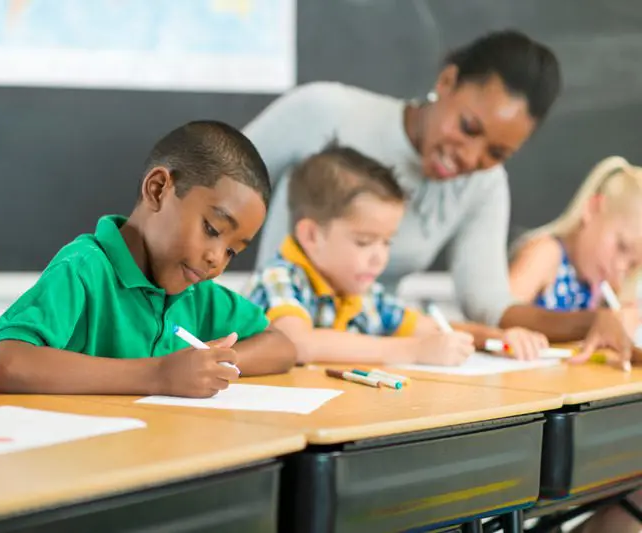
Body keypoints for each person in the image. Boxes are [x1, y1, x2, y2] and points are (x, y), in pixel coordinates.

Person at [245, 29, 637, 366]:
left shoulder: (483, 187)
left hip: (372, 358)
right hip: (298, 355)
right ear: (447, 82)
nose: (470, 156)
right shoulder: (324, 111)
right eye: (468, 127)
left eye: (496, 154)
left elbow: (490, 304)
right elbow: (214, 182)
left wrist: (591, 322)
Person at [0, 121, 296, 399]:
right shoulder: (83, 270)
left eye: (232, 251)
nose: (216, 259)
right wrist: (159, 374)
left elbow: (281, 346)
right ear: (158, 189)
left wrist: (214, 364)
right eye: (212, 229)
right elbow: (9, 362)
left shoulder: (195, 293)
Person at [247, 144, 475, 365]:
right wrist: (413, 351)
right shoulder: (279, 277)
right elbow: (298, 344)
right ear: (311, 236)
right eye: (364, 242)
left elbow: (427, 328)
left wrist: (489, 338)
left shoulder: (364, 295)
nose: (380, 258)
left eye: (387, 242)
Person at [510, 156, 642, 341]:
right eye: (621, 246)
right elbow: (500, 314)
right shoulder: (546, 254)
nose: (621, 267)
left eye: (632, 265)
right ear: (592, 208)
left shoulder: (599, 287)